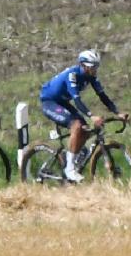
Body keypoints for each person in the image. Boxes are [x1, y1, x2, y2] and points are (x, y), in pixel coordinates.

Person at [37, 49, 122, 181]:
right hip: (50, 102)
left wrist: (118, 112)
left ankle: (71, 156)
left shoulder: (91, 77)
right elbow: (77, 100)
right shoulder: (72, 75)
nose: (95, 69)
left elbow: (103, 96)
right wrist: (92, 116)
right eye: (93, 66)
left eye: (97, 66)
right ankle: (69, 168)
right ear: (83, 65)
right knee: (76, 126)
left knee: (85, 129)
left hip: (62, 102)